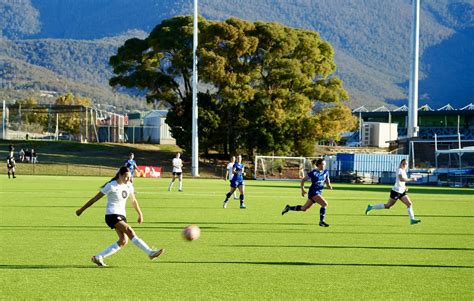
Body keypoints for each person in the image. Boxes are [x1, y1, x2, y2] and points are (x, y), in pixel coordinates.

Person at [76, 166, 165, 267]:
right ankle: (150, 252)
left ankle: (98, 257)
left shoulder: (129, 185)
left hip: (122, 215)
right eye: (126, 177)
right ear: (120, 175)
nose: (128, 179)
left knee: (123, 241)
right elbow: (94, 199)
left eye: (130, 177)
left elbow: (134, 201)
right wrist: (81, 210)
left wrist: (140, 214)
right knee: (129, 230)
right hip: (111, 215)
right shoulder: (111, 186)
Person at [365, 159, 421, 225]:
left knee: (409, 204)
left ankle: (412, 219)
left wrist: (405, 187)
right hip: (396, 191)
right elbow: (401, 179)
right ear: (401, 163)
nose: (404, 165)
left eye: (406, 164)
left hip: (402, 191)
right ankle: (371, 207)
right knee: (388, 206)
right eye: (403, 163)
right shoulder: (399, 170)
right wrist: (411, 179)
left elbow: (401, 182)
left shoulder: (403, 171)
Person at [281, 158, 332, 227]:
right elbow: (303, 180)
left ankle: (289, 208)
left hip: (318, 192)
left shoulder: (325, 172)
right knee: (324, 204)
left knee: (304, 208)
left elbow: (327, 180)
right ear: (319, 165)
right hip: (313, 192)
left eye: (325, 164)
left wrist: (329, 185)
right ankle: (321, 221)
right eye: (323, 164)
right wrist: (302, 190)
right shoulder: (313, 173)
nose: (324, 166)